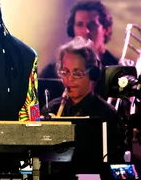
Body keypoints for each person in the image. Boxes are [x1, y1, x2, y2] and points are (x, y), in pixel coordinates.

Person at [41, 36, 123, 171]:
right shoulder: (51, 109)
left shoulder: (106, 114)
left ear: (92, 75)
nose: (69, 80)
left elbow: (112, 164)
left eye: (77, 73)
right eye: (65, 72)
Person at [40, 0, 118, 79]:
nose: (86, 31)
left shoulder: (118, 70)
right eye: (79, 24)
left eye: (92, 25)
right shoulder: (52, 72)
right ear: (72, 29)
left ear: (106, 30)